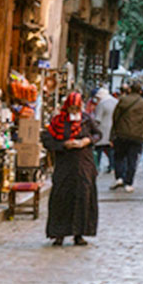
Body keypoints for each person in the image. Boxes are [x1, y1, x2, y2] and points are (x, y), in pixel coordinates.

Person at [43, 91, 99, 243]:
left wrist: (86, 141)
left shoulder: (86, 120)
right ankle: (59, 233)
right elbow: (47, 139)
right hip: (65, 165)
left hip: (83, 165)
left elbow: (97, 134)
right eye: (71, 108)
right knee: (62, 197)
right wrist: (63, 145)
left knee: (82, 196)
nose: (74, 112)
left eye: (76, 108)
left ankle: (79, 233)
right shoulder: (58, 121)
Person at [110, 81, 143, 191]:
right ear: (140, 91)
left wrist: (113, 133)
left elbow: (115, 117)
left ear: (130, 90)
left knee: (119, 156)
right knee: (132, 159)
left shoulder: (123, 100)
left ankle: (119, 177)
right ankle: (129, 182)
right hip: (137, 135)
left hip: (122, 133)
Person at [93, 81, 117, 173]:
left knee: (98, 149)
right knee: (110, 150)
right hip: (112, 130)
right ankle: (112, 166)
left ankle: (96, 166)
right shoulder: (115, 101)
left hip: (102, 130)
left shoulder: (101, 104)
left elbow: (98, 119)